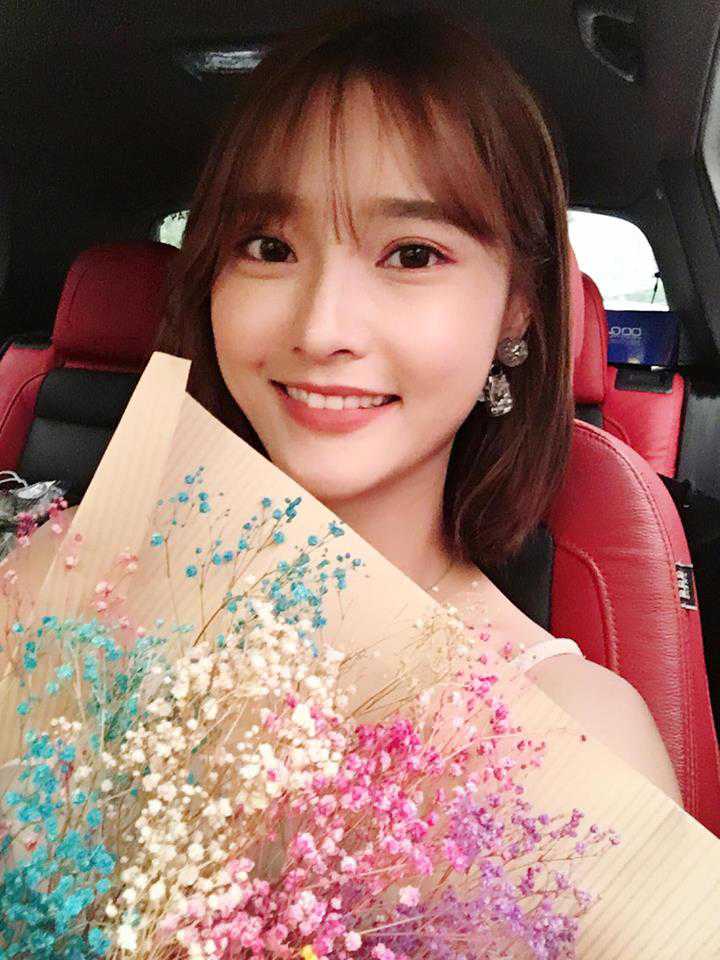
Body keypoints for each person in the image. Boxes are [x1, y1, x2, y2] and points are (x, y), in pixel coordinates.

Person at [145, 1, 682, 805]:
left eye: (413, 255)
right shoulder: (75, 591)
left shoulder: (579, 746)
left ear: (518, 304)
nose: (321, 329)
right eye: (269, 247)